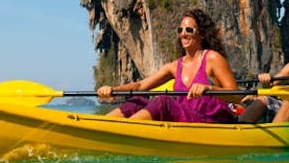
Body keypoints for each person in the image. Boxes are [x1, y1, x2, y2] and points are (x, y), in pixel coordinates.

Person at [96, 8, 240, 123]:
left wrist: (209, 88)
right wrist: (113, 89)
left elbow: (236, 96)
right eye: (180, 30)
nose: (183, 34)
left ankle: (123, 134)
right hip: (186, 121)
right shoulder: (175, 66)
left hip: (212, 122)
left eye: (189, 30)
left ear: (201, 34)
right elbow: (141, 86)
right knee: (137, 102)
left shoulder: (212, 58)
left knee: (163, 101)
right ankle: (100, 127)